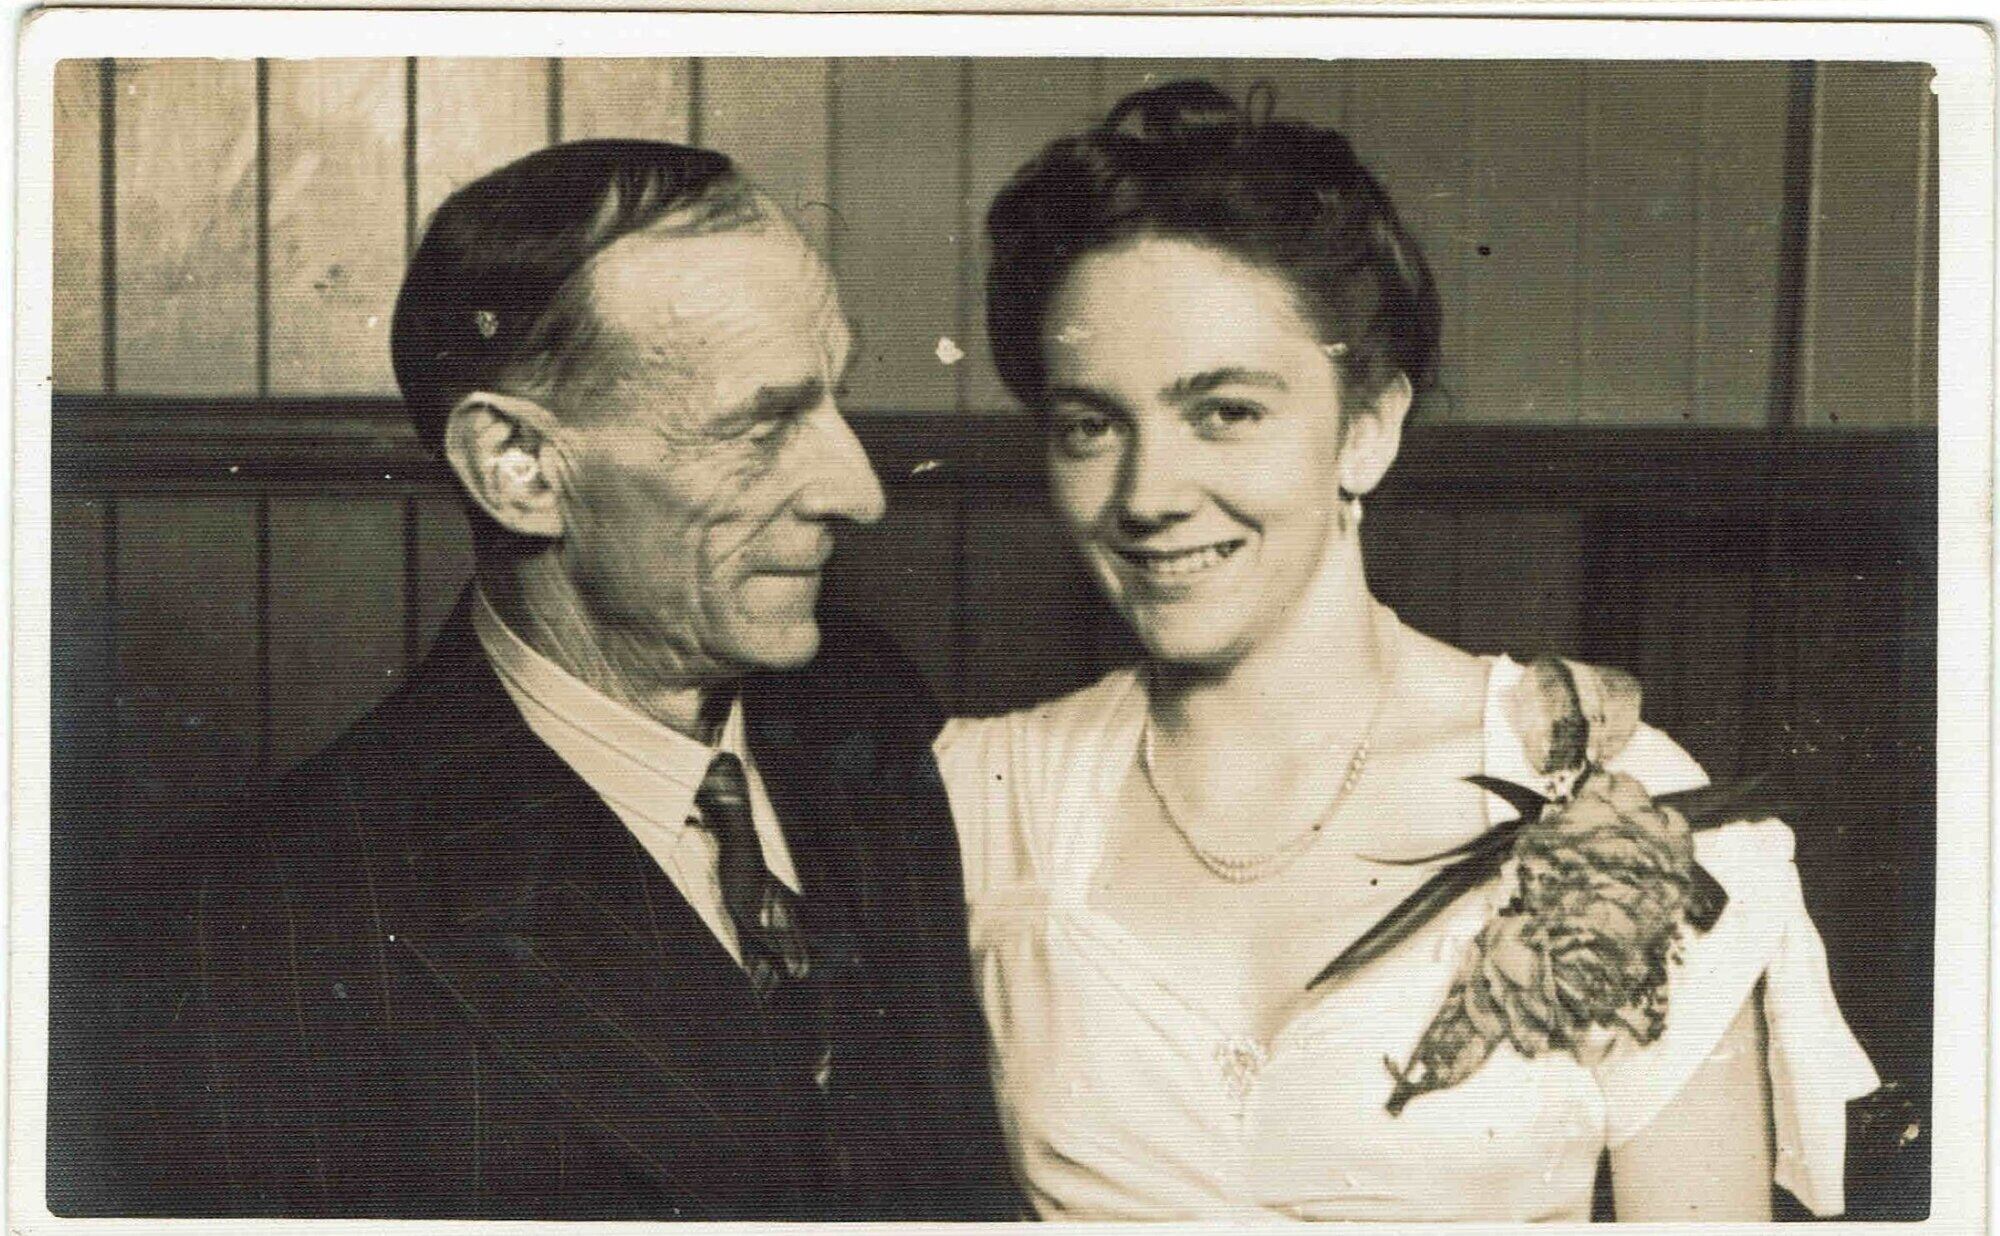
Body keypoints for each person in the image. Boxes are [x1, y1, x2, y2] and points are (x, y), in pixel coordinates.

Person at [935, 81, 1881, 1221]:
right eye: (1090, 425)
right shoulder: (980, 797)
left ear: (1368, 428)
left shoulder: (1611, 801)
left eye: (1225, 412)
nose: (1146, 495)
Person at [96, 140, 1021, 1220]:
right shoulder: (258, 929)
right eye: (760, 424)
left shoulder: (870, 714)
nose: (859, 490)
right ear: (519, 470)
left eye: (834, 402)